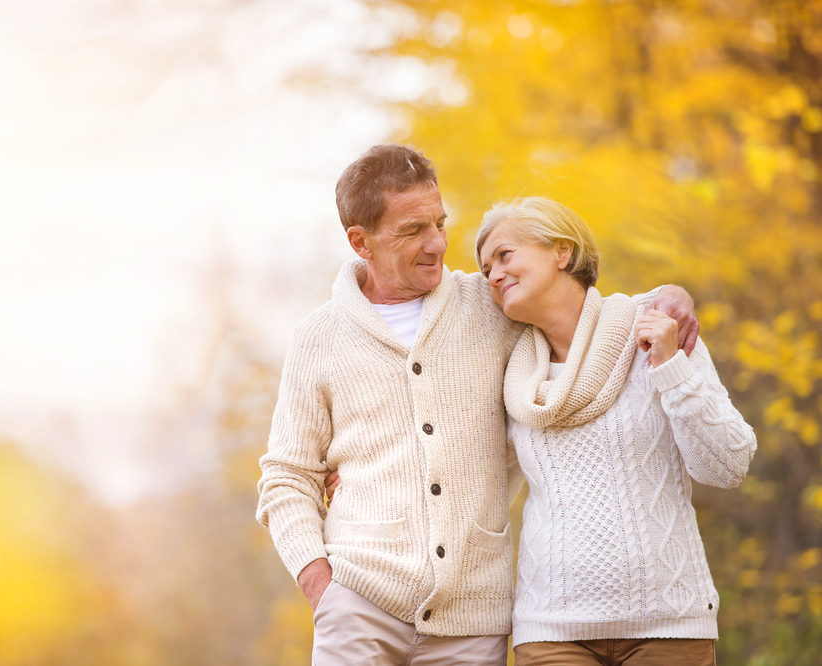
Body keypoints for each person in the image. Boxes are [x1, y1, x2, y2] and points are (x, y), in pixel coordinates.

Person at [255, 144, 698, 666]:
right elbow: (287, 476)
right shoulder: (319, 337)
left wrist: (668, 295)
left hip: (472, 619)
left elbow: (582, 314)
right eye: (412, 230)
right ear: (361, 241)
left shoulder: (491, 306)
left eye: (439, 223)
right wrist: (319, 581)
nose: (437, 243)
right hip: (358, 605)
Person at [475, 197, 756, 665]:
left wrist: (671, 369)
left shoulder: (655, 332)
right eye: (486, 269)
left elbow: (728, 465)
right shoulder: (510, 375)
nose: (494, 275)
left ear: (562, 252)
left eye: (505, 255)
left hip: (669, 627)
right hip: (551, 633)